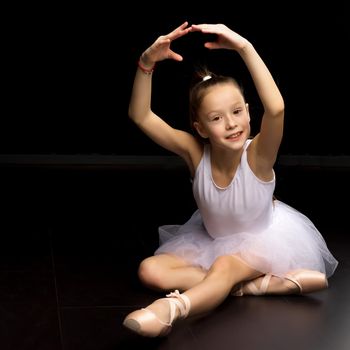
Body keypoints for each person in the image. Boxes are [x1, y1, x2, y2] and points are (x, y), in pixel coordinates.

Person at [123, 21, 338, 337]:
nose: (231, 124)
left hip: (263, 242)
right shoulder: (195, 153)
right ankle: (253, 287)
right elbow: (141, 116)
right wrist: (146, 63)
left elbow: (276, 109)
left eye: (237, 112)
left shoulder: (259, 156)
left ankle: (170, 310)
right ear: (200, 128)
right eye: (216, 118)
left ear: (249, 111)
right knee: (150, 271)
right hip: (212, 240)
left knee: (224, 266)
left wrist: (243, 47)